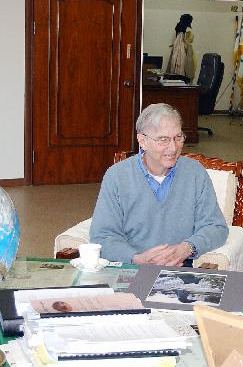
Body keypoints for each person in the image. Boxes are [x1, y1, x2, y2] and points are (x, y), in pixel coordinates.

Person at [89, 103, 228, 266]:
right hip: (130, 267)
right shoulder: (117, 176)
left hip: (181, 268)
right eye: (163, 140)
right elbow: (102, 236)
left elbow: (216, 227)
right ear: (142, 141)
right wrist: (136, 258)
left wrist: (188, 248)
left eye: (178, 137)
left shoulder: (195, 172)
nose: (173, 147)